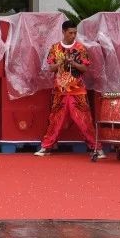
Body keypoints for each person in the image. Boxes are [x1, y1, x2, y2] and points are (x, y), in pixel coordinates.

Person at [35, 19, 105, 159]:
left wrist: (74, 63)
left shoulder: (80, 48)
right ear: (63, 32)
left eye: (75, 33)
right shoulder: (55, 48)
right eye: (70, 33)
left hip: (77, 90)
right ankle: (46, 146)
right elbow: (51, 68)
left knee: (84, 120)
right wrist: (61, 62)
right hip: (59, 90)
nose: (73, 35)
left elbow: (84, 68)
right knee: (55, 120)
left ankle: (96, 148)